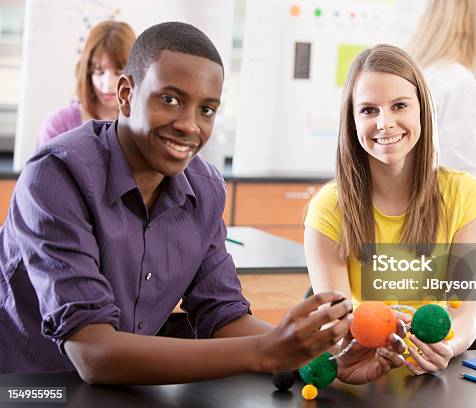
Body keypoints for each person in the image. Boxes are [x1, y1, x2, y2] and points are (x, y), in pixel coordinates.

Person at [0, 22, 408, 384]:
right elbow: (93, 354)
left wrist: (325, 359)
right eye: (171, 100)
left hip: (120, 387)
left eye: (207, 109)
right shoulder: (58, 176)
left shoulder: (204, 187)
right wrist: (266, 353)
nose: (190, 125)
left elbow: (222, 315)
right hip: (30, 388)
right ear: (126, 94)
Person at [304, 44, 476, 376]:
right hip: (360, 379)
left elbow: (465, 314)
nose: (385, 123)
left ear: (422, 109)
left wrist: (447, 347)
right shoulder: (329, 207)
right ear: (352, 120)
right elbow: (338, 321)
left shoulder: (466, 195)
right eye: (369, 110)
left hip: (431, 382)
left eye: (399, 105)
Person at [407, 0, 476, 244]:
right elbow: (459, 190)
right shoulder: (459, 85)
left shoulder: (413, 73)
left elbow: (425, 175)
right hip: (430, 246)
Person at [37, 20, 136, 146]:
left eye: (118, 73)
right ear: (88, 72)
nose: (108, 84)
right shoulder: (58, 124)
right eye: (99, 72)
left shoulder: (142, 125)